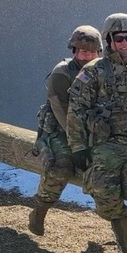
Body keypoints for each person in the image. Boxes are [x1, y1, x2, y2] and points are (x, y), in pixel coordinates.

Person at [66, 12, 127, 253]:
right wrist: (78, 148)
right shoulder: (93, 71)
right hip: (108, 143)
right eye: (118, 38)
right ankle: (122, 225)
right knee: (101, 187)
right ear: (109, 39)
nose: (124, 43)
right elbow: (76, 110)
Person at [28, 25, 102, 236]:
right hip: (62, 130)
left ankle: (120, 227)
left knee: (106, 170)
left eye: (92, 52)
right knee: (60, 166)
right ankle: (40, 210)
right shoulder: (62, 73)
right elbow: (61, 112)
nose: (87, 56)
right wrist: (78, 145)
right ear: (74, 51)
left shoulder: (104, 72)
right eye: (83, 51)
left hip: (95, 130)